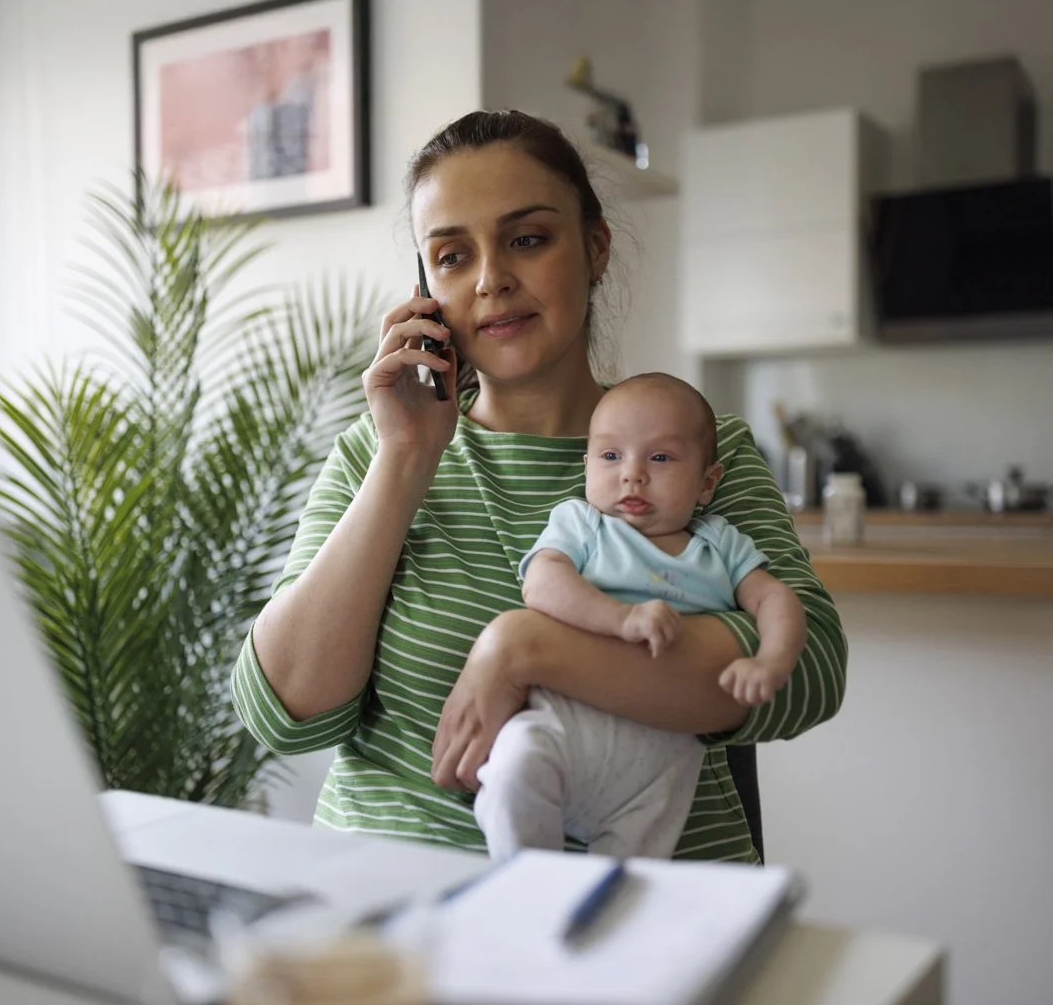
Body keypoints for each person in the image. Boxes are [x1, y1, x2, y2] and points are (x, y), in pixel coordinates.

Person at [231, 109, 847, 864]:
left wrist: (523, 648)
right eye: (453, 256)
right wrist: (405, 462)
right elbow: (286, 714)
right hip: (396, 905)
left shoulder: (690, 452)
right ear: (426, 288)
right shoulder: (379, 451)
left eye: (527, 239)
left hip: (645, 912)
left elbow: (808, 671)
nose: (491, 280)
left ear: (594, 249)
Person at [474, 373, 807, 860]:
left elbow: (778, 600)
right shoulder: (583, 524)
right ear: (586, 465)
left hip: (662, 754)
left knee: (628, 882)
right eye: (611, 456)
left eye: (660, 458)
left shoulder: (719, 544)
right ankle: (529, 887)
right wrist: (620, 619)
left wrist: (771, 662)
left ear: (707, 482)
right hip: (563, 721)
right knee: (513, 775)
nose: (633, 474)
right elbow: (541, 583)